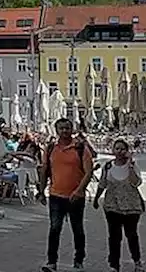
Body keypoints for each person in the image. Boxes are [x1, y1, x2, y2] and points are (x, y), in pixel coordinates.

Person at [37, 117, 95, 272]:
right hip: (56, 195)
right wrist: (41, 191)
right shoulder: (50, 148)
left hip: (76, 196)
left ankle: (79, 260)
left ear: (72, 129)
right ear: (56, 130)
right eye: (61, 128)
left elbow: (89, 172)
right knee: (54, 228)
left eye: (67, 128)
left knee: (77, 229)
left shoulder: (80, 148)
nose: (64, 131)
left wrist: (80, 190)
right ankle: (51, 262)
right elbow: (44, 170)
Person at [92, 139, 146, 272]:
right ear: (113, 150)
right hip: (112, 206)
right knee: (114, 237)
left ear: (127, 151)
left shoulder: (132, 165)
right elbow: (102, 183)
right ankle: (114, 265)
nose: (120, 152)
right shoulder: (108, 166)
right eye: (117, 149)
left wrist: (131, 164)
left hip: (131, 206)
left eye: (123, 149)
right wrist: (96, 198)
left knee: (131, 235)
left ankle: (137, 261)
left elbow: (136, 182)